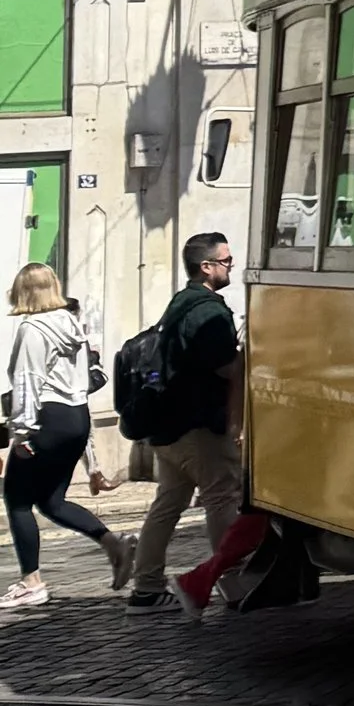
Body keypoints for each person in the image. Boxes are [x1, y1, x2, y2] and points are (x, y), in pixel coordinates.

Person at [126, 232, 245, 612]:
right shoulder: (208, 310)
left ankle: (146, 587)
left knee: (168, 503)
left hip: (167, 424)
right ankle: (232, 580)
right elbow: (224, 366)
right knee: (222, 496)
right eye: (226, 261)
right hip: (198, 424)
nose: (232, 265)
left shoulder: (180, 302)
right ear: (206, 267)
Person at [5, 265, 136, 608]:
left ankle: (31, 582)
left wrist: (21, 434)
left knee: (17, 499)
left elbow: (27, 382)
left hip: (46, 419)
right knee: (52, 501)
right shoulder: (70, 324)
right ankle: (113, 544)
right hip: (75, 418)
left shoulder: (32, 329)